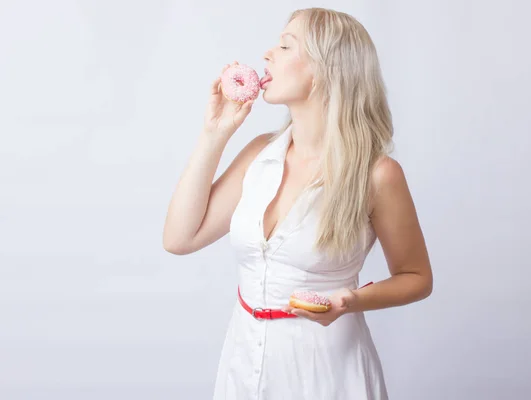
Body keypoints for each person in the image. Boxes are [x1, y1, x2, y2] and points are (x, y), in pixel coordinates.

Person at [163, 7, 433, 400]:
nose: (268, 54)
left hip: (327, 374)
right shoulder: (259, 155)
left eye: (286, 45)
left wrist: (350, 301)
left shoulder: (378, 174)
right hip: (243, 365)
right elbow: (179, 238)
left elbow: (417, 276)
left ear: (326, 69)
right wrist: (214, 133)